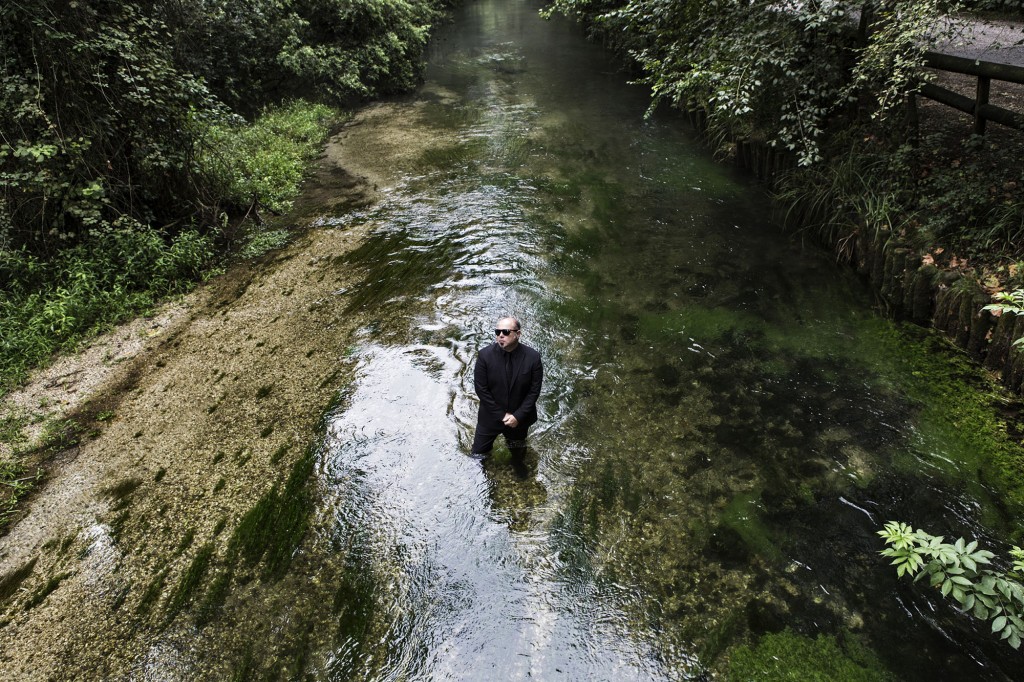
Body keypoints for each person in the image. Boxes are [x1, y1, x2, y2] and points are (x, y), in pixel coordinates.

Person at [471, 316, 543, 458]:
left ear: (518, 334)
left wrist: (518, 416)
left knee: (518, 454)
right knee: (477, 455)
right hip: (490, 417)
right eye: (497, 332)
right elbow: (481, 389)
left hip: (519, 420)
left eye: (505, 332)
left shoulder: (533, 357)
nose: (501, 335)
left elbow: (534, 391)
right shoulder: (485, 355)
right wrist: (501, 415)